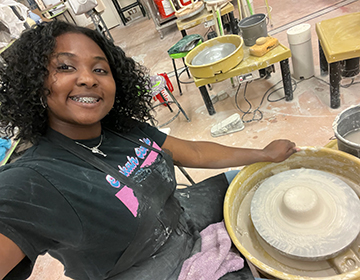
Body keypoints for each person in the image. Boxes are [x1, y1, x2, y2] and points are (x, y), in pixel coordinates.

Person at [0, 21, 298, 280]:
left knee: (262, 179)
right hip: (153, 270)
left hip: (182, 216)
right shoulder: (33, 181)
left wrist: (264, 155)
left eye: (100, 69)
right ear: (35, 83)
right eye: (65, 67)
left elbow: (193, 153)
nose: (88, 78)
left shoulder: (122, 129)